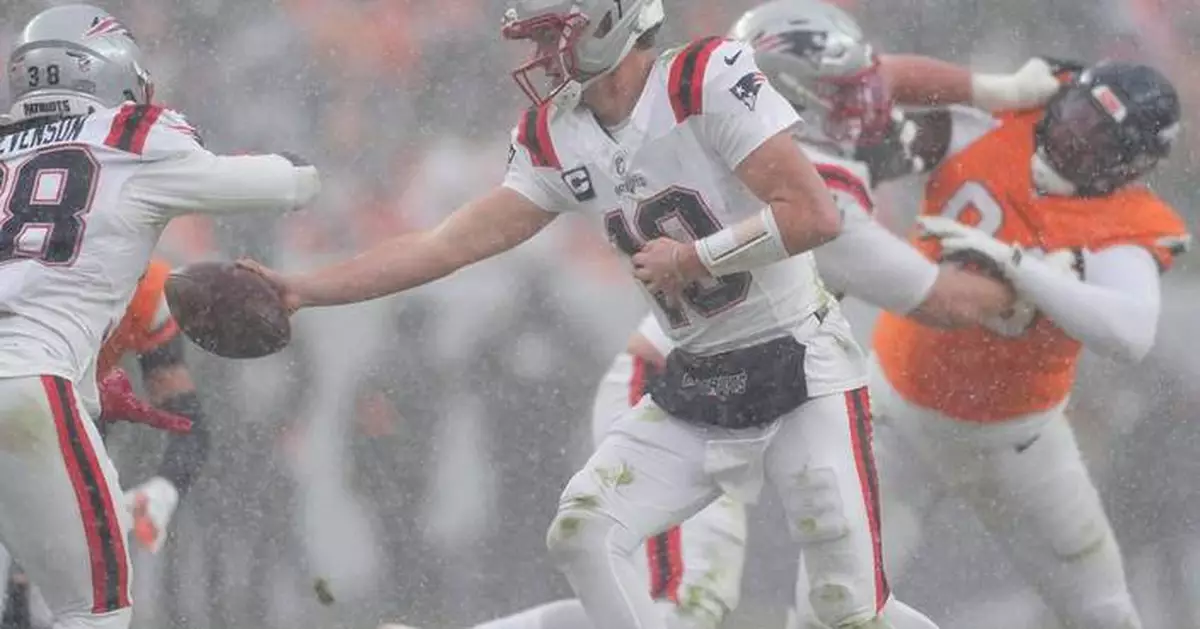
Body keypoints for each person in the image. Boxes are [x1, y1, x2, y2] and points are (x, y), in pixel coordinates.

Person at [240, 0, 1041, 626]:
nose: (541, 55)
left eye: (555, 33)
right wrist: (308, 288)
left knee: (849, 612)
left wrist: (699, 256)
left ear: (610, 21)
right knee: (582, 532)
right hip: (697, 381)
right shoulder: (557, 135)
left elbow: (814, 217)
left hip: (800, 368)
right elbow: (447, 242)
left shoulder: (706, 79)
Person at [812, 57, 1189, 629]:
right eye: (1074, 118)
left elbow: (1131, 333)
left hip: (1019, 444)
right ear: (1062, 95)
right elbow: (865, 79)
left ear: (1130, 166)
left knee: (1103, 611)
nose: (1071, 141)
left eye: (1097, 141)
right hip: (893, 417)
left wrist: (1022, 268)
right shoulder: (1001, 115)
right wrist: (984, 85)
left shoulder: (1125, 224)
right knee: (834, 602)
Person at [0, 5, 320, 629]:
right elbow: (291, 186)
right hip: (26, 381)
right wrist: (295, 162)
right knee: (93, 613)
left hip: (32, 386)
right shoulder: (133, 137)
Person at [0, 259, 212, 628]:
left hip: (52, 424)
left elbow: (187, 421)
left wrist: (164, 487)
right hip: (31, 415)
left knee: (58, 594)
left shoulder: (144, 288)